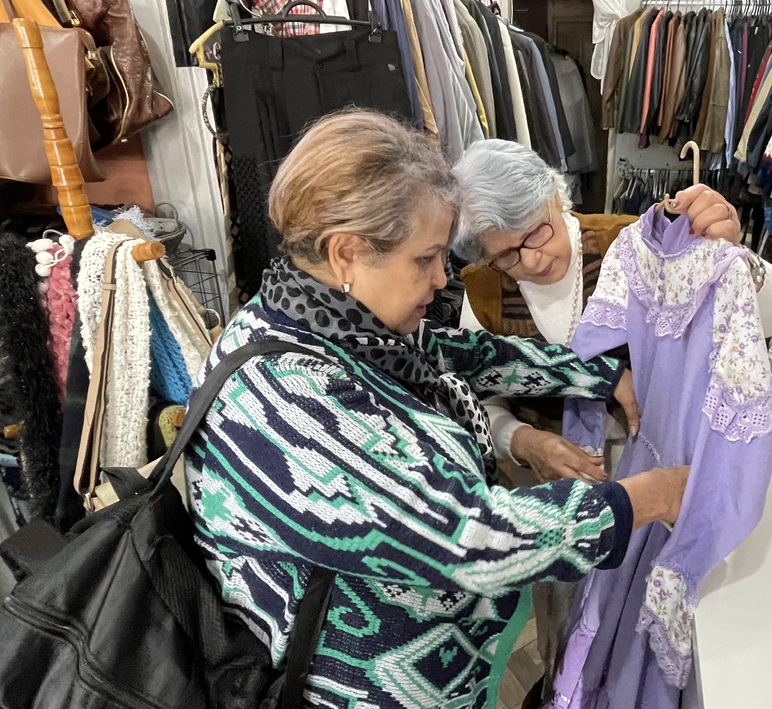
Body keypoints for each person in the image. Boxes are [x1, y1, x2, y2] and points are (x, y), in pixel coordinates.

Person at [184, 110, 690, 709]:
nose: (442, 277)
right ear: (346, 253)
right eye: (424, 259)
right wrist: (649, 497)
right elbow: (468, 538)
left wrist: (603, 373)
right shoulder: (283, 395)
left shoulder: (341, 328)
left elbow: (464, 355)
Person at [452, 138, 772, 706]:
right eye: (507, 254)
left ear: (556, 197)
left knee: (643, 617)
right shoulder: (484, 292)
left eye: (537, 231)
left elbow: (771, 313)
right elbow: (476, 397)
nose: (531, 260)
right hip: (552, 490)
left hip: (655, 470)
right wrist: (525, 440)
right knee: (566, 611)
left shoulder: (631, 244)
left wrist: (734, 255)